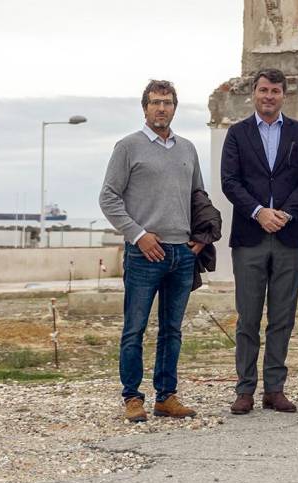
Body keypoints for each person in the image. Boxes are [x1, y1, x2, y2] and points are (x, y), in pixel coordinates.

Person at [99, 79, 205, 422]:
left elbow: (198, 197)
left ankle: (166, 397)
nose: (162, 108)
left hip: (181, 253)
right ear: (144, 107)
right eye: (156, 102)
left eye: (168, 102)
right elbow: (108, 198)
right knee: (135, 328)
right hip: (144, 253)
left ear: (175, 107)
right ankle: (132, 397)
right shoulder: (128, 147)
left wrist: (201, 238)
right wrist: (138, 234)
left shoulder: (188, 148)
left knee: (172, 330)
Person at [221, 68, 298, 415]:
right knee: (248, 317)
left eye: (275, 91)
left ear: (283, 95)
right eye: (263, 90)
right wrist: (260, 212)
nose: (269, 96)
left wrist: (286, 213)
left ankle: (274, 388)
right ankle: (245, 389)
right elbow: (230, 182)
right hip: (250, 236)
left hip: (289, 236)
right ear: (254, 93)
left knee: (282, 316)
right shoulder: (237, 134)